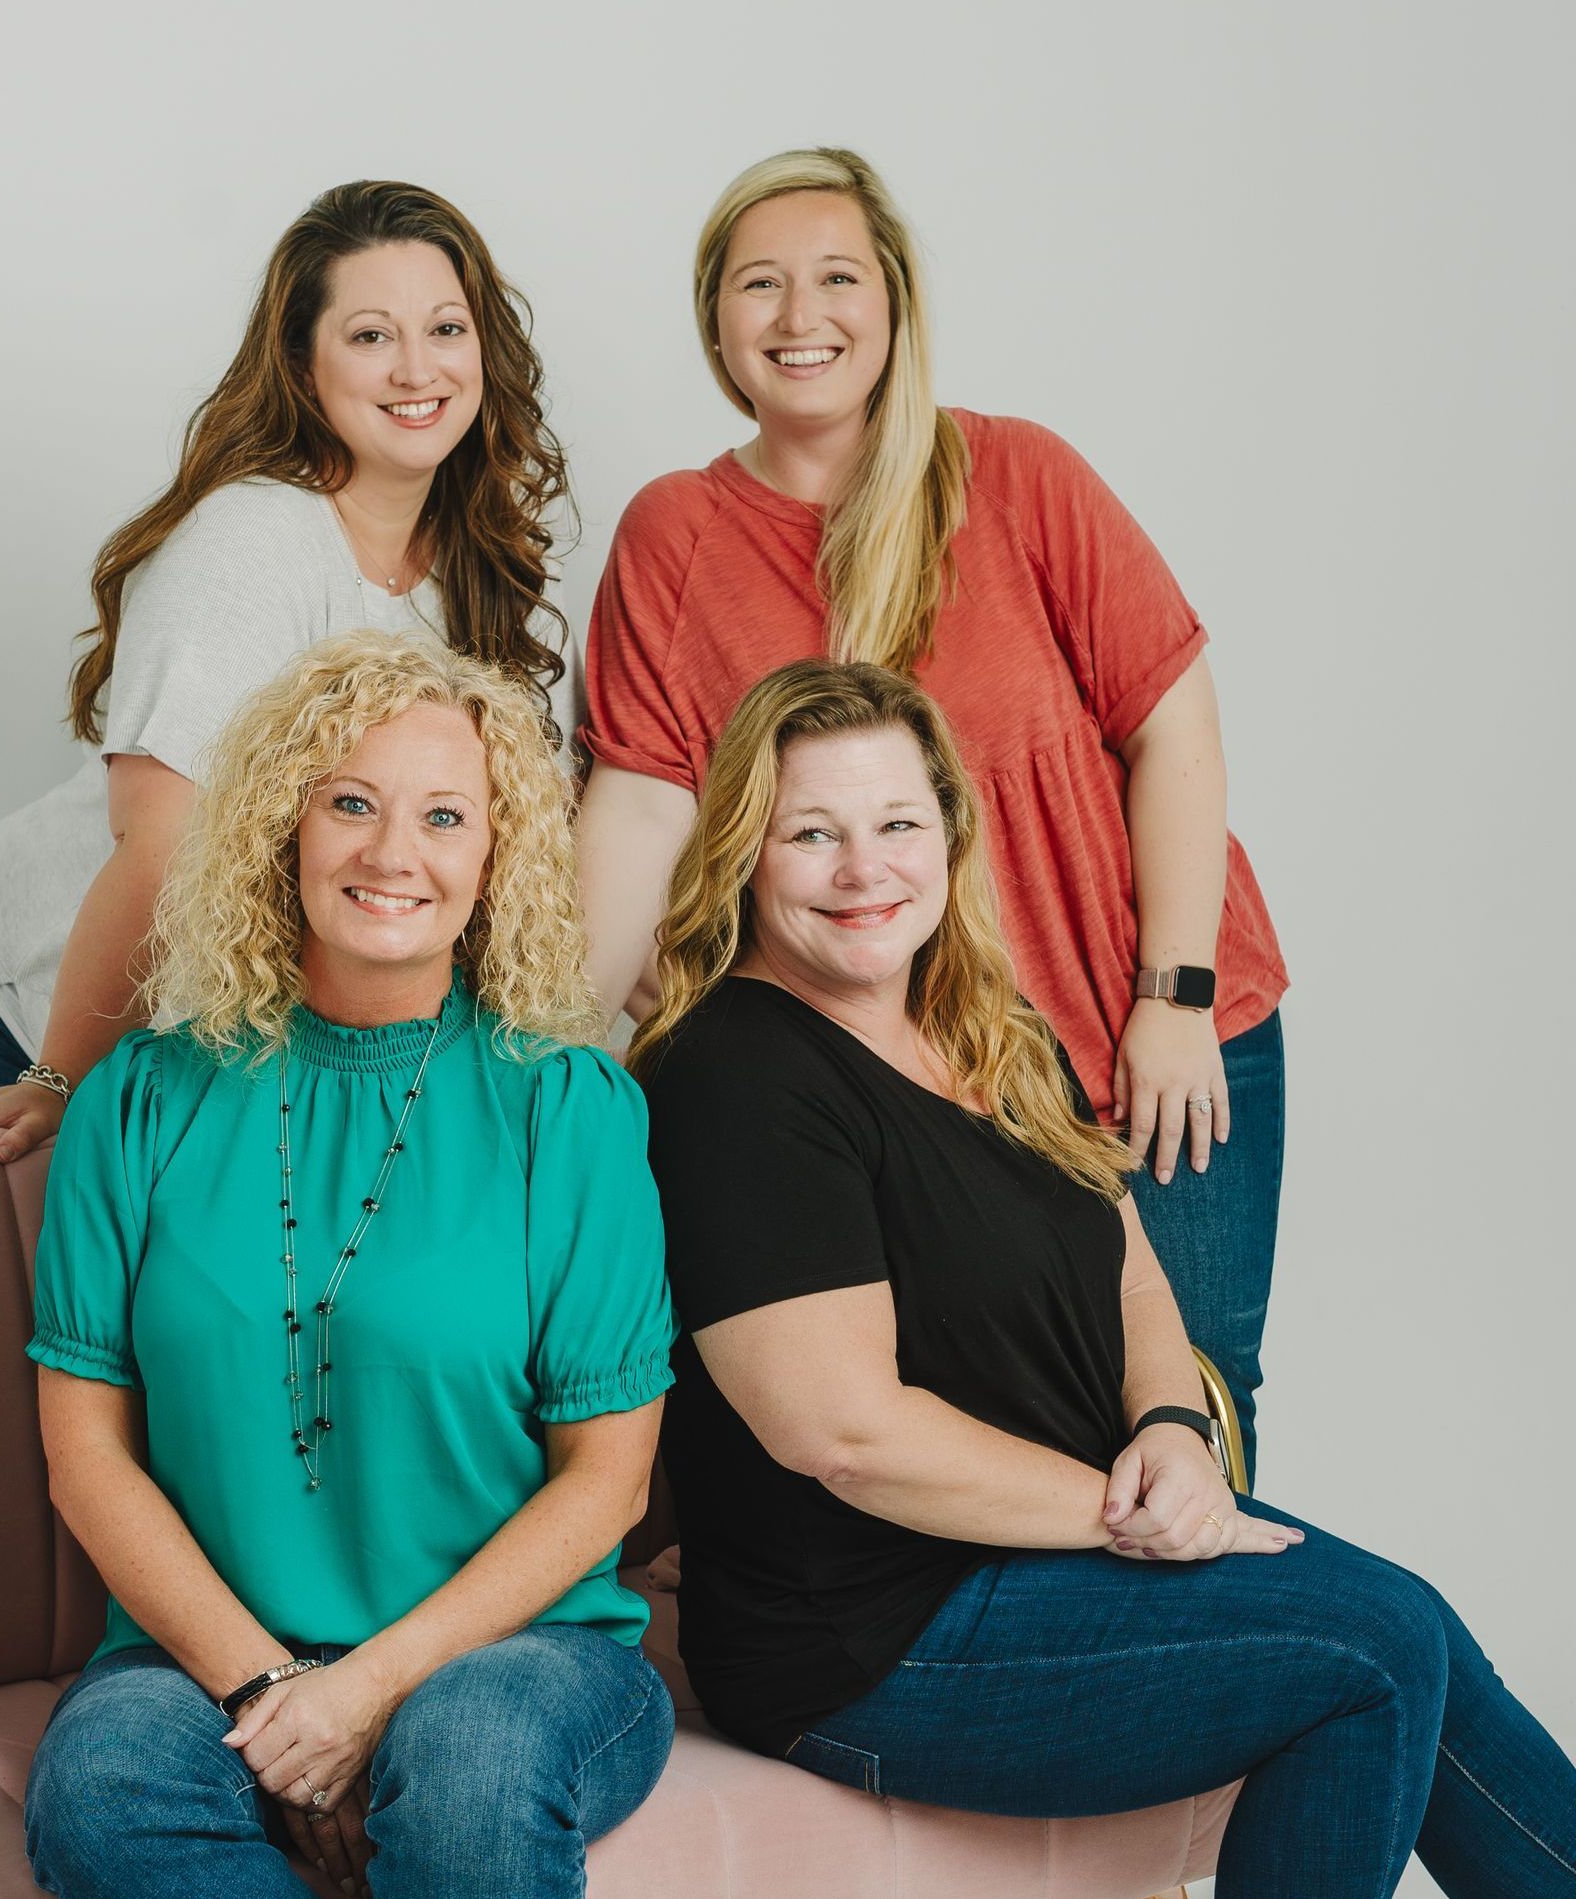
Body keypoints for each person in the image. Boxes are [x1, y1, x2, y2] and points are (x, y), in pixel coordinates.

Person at [631, 657, 1575, 1899]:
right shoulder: (736, 1077)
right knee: (1376, 1643)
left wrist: (1177, 1428)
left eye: (898, 824)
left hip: (1043, 1565)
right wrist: (1131, 1517)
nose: (866, 871)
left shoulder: (985, 1026)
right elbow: (842, 1434)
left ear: (950, 837)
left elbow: (1129, 1272)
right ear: (748, 854)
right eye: (814, 834)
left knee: (1407, 1620)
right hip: (869, 1641)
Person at [578, 147, 1286, 1469]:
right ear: (715, 324)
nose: (802, 317)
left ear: (895, 304)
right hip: (910, 1084)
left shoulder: (1018, 476)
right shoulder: (677, 532)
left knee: (1194, 1399)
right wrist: (541, 1078)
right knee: (976, 1420)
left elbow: (1173, 728)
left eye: (838, 276)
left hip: (1148, 1029)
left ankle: (1231, 1660)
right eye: (760, 285)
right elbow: (638, 816)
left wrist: (1173, 997)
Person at [21, 634, 675, 1899]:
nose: (393, 853)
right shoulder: (140, 1103)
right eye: (351, 804)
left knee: (469, 1765)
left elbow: (608, 1480)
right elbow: (86, 1455)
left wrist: (369, 1692)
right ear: (286, 829)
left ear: (496, 859)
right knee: (101, 1796)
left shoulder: (569, 1109)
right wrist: (276, 1694)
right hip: (205, 1659)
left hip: (524, 1658)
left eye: (444, 816)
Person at [0, 177, 574, 1162]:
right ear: (303, 365)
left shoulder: (489, 569)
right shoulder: (250, 543)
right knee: (101, 1308)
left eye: (447, 329)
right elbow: (160, 850)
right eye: (372, 335)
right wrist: (58, 1082)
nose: (416, 368)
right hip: (56, 996)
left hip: (263, 1010)